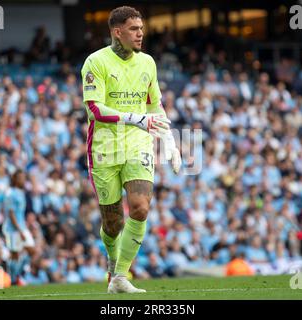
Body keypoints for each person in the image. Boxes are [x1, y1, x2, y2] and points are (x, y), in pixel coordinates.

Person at [80, 6, 181, 293]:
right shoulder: (95, 62)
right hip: (104, 147)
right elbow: (95, 109)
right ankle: (114, 265)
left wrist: (170, 140)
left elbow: (154, 105)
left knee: (140, 208)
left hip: (138, 145)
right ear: (117, 32)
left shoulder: (148, 62)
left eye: (141, 28)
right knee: (113, 224)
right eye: (134, 29)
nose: (141, 33)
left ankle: (121, 277)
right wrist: (138, 119)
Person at [3, 170, 35, 285]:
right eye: (21, 178)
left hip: (22, 226)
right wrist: (19, 229)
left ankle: (16, 275)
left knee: (32, 250)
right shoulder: (10, 193)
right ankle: (12, 279)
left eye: (24, 177)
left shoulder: (21, 192)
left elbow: (20, 213)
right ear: (15, 179)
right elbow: (11, 214)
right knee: (15, 254)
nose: (23, 180)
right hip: (13, 229)